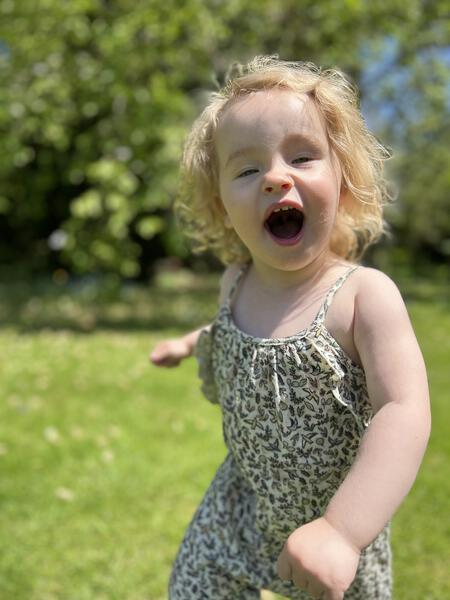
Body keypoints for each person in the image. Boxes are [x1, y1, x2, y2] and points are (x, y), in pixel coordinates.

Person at [150, 56, 430, 600]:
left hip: (340, 522)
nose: (276, 176)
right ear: (221, 203)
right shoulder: (236, 282)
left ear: (344, 180)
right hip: (240, 508)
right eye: (247, 169)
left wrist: (344, 532)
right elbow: (228, 332)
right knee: (192, 588)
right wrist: (189, 345)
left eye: (302, 157)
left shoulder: (362, 298)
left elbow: (405, 409)